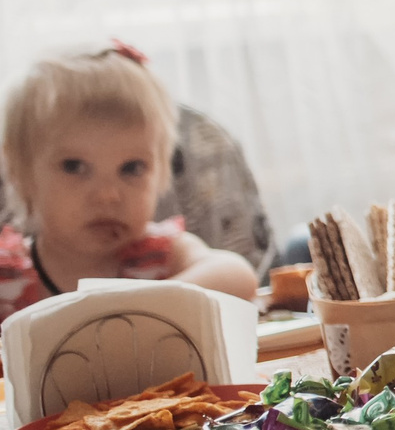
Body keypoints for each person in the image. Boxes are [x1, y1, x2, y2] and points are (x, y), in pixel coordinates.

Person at [0, 45, 261, 322]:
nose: (108, 195)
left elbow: (238, 277)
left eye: (131, 168)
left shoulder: (162, 256)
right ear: (21, 174)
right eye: (74, 167)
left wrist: (134, 305)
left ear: (161, 174)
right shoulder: (8, 279)